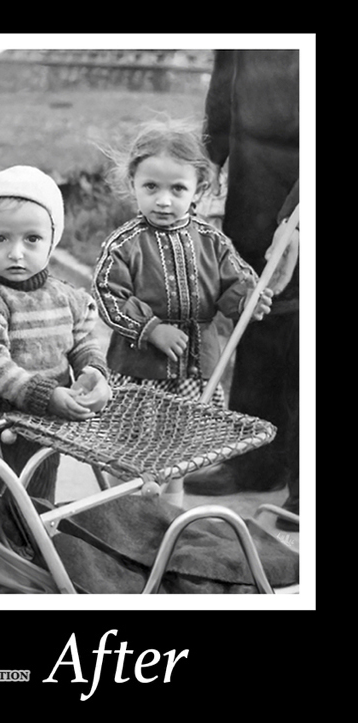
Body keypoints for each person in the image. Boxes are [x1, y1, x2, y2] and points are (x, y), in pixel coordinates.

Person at [92, 120, 272, 507]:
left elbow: (236, 283)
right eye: (151, 187)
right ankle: (119, 514)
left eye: (177, 189)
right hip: (141, 373)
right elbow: (108, 294)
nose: (163, 200)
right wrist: (151, 329)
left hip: (195, 372)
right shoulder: (125, 244)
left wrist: (248, 301)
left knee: (178, 457)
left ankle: (167, 521)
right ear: (133, 184)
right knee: (130, 451)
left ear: (198, 190)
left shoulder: (211, 240)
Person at [183, 50, 300, 531]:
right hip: (256, 166)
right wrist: (208, 157)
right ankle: (256, 457)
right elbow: (227, 74)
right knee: (254, 300)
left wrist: (299, 210)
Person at [0, 165, 112, 504]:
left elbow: (83, 341)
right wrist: (47, 394)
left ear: (52, 240)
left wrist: (94, 372)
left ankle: (34, 550)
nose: (16, 252)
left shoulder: (70, 298)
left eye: (32, 239)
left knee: (37, 503)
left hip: (42, 428)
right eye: (0, 238)